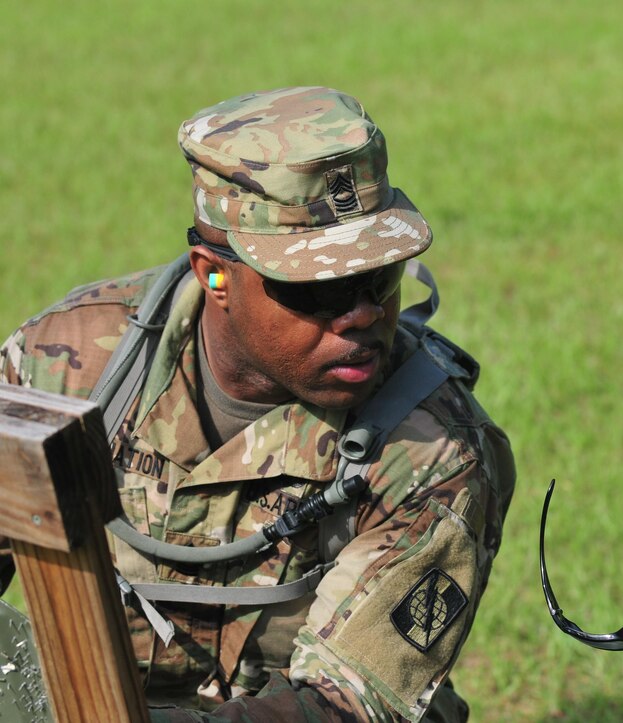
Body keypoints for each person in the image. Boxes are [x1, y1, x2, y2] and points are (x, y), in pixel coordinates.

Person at [0, 86, 516, 722]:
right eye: (318, 289)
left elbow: (350, 705)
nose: (362, 316)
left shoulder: (434, 450)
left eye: (381, 276)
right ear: (214, 275)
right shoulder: (62, 366)